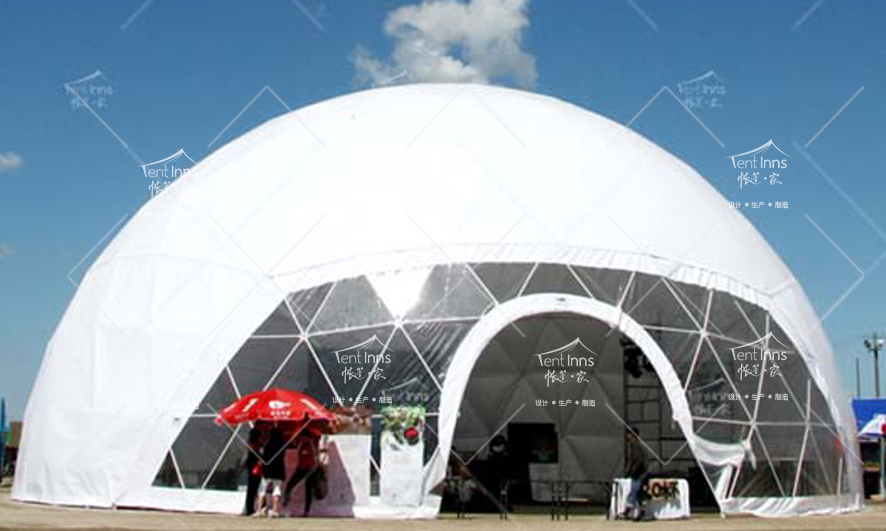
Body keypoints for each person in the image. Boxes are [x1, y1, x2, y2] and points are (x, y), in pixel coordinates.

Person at [282, 425, 326, 517]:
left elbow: (319, 435)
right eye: (302, 437)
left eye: (304, 437)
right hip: (301, 468)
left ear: (308, 437)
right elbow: (293, 441)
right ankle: (285, 506)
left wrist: (309, 429)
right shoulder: (300, 443)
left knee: (308, 489)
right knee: (290, 485)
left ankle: (306, 511)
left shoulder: (313, 443)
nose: (303, 439)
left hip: (311, 468)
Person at [255, 427, 287, 518]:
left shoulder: (268, 445)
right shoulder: (282, 446)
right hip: (279, 469)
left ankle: (259, 510)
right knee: (277, 489)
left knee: (262, 489)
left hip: (268, 469)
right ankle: (275, 511)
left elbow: (264, 456)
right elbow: (283, 456)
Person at [622, 427, 649, 521]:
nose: (627, 436)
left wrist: (632, 471)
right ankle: (642, 513)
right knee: (640, 494)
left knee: (634, 492)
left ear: (632, 435)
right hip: (642, 473)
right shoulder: (636, 445)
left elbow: (638, 460)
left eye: (628, 434)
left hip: (639, 473)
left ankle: (627, 511)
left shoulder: (636, 446)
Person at [242, 426, 267, 516]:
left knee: (251, 489)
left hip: (252, 467)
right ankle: (259, 507)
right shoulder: (257, 447)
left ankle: (250, 508)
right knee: (257, 488)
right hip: (256, 468)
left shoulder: (250, 445)